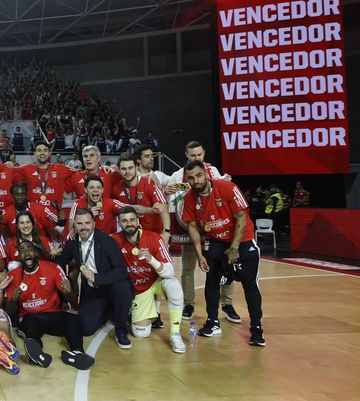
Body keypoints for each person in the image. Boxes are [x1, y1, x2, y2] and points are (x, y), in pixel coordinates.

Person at [181, 160, 265, 347]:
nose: (196, 181)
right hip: (216, 241)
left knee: (249, 283)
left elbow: (242, 218)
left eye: (199, 175)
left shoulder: (227, 187)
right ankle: (213, 322)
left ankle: (256, 328)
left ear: (206, 173)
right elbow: (193, 227)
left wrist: (234, 248)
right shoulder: (189, 198)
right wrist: (200, 254)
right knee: (211, 280)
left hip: (242, 239)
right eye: (191, 178)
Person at [163, 141, 239, 322]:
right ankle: (188, 303)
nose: (196, 158)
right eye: (192, 155)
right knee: (188, 268)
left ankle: (227, 304)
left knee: (223, 265)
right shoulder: (178, 175)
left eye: (199, 155)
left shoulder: (213, 172)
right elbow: (170, 191)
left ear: (204, 154)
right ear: (186, 155)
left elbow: (220, 190)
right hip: (189, 225)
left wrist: (224, 181)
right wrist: (167, 190)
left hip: (214, 227)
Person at [6, 241, 94, 370]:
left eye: (29, 249)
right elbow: (9, 311)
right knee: (30, 326)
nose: (26, 253)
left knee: (74, 320)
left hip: (53, 313)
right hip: (30, 316)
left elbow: (72, 298)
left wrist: (69, 291)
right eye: (22, 251)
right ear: (19, 256)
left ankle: (77, 353)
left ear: (35, 253)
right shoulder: (13, 276)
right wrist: (13, 299)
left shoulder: (52, 268)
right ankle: (36, 354)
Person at [54, 208, 134, 347]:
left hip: (111, 286)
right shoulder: (72, 242)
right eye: (79, 224)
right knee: (85, 329)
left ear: (94, 224)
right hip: (93, 290)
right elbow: (61, 261)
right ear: (75, 225)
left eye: (87, 223)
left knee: (122, 288)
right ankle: (108, 311)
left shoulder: (107, 241)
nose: (83, 227)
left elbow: (121, 271)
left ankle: (121, 330)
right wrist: (45, 259)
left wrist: (98, 278)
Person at [112, 207, 186, 353]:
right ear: (119, 223)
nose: (129, 223)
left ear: (138, 221)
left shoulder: (154, 238)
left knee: (173, 285)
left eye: (132, 220)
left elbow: (170, 271)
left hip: (155, 282)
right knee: (141, 333)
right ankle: (149, 306)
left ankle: (175, 333)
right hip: (138, 290)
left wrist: (151, 260)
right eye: (124, 221)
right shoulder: (114, 240)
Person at [112, 153, 169, 236]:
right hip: (130, 236)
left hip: (154, 234)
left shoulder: (150, 183)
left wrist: (166, 232)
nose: (127, 171)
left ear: (136, 168)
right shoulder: (116, 189)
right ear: (119, 171)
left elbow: (163, 207)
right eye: (124, 169)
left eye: (130, 168)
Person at [18, 142, 78, 208]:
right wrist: (8, 164)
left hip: (54, 215)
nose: (42, 153)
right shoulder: (26, 169)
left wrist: (68, 187)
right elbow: (9, 172)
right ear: (35, 154)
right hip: (33, 215)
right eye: (39, 150)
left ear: (49, 153)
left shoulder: (61, 168)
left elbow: (81, 174)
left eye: (45, 150)